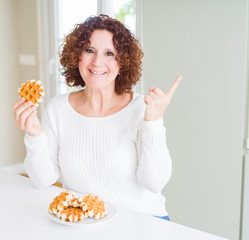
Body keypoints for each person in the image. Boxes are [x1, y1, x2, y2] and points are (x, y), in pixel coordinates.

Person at [13, 14, 181, 220]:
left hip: (143, 222)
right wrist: (34, 135)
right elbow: (42, 180)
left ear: (123, 63)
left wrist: (154, 122)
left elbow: (154, 183)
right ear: (77, 56)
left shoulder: (141, 108)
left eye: (109, 53)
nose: (97, 62)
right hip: (85, 222)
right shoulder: (58, 109)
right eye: (89, 50)